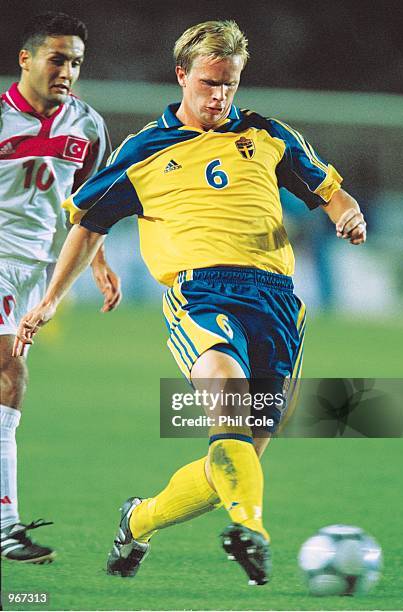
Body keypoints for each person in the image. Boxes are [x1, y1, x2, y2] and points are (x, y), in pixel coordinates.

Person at [13, 20, 366, 584]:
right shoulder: (145, 151)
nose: (219, 95)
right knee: (226, 399)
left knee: (240, 453)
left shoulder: (270, 135)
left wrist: (346, 212)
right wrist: (52, 299)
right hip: (200, 293)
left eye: (229, 84)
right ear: (182, 75)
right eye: (208, 82)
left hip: (278, 304)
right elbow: (89, 222)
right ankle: (252, 531)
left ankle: (140, 520)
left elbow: (329, 190)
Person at [1, 12, 122, 564]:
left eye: (75, 61)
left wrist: (98, 262)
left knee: (9, 386)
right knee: (8, 373)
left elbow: (88, 201)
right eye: (57, 59)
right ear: (25, 59)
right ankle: (5, 525)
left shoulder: (89, 126)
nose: (67, 71)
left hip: (39, 271)